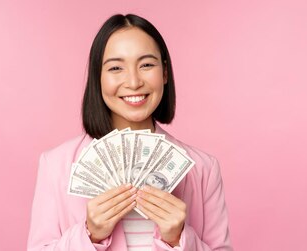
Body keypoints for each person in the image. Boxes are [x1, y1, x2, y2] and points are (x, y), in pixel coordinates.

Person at [27, 14, 232, 250]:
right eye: (116, 68)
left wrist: (178, 239)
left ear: (164, 73)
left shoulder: (203, 169)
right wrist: (90, 235)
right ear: (98, 78)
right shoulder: (55, 165)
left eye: (146, 65)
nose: (133, 82)